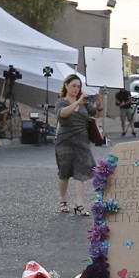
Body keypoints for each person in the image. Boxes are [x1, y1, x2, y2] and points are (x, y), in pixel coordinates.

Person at [54, 73, 97, 216]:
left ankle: (79, 204)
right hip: (65, 141)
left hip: (82, 142)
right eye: (73, 86)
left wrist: (100, 104)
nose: (76, 89)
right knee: (64, 173)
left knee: (81, 172)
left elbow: (95, 113)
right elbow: (62, 114)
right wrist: (77, 102)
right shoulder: (61, 101)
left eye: (78, 87)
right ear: (66, 85)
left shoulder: (84, 102)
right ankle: (63, 200)